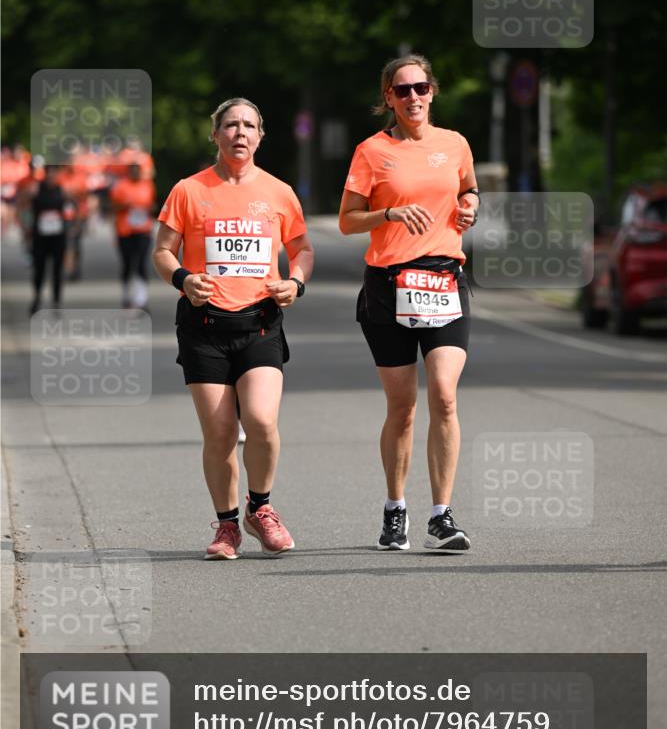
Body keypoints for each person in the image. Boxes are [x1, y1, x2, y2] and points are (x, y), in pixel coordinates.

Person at [153, 97, 314, 560]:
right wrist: (184, 279)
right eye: (230, 125)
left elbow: (302, 250)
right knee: (221, 433)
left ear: (260, 136)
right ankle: (226, 526)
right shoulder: (189, 190)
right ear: (215, 135)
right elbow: (163, 252)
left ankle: (260, 509)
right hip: (204, 327)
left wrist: (295, 282)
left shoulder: (279, 192)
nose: (240, 133)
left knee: (262, 421)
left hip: (260, 323)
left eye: (249, 126)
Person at [339, 54, 479, 553]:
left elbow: (468, 191)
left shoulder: (455, 144)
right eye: (403, 91)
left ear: (433, 91)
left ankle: (441, 516)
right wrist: (390, 211)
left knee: (444, 395)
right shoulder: (371, 151)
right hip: (389, 285)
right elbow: (348, 220)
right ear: (388, 100)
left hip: (444, 281)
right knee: (402, 406)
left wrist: (470, 208)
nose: (413, 97)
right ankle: (395, 509)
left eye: (421, 88)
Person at [109, 161, 156, 308]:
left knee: (142, 263)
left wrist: (149, 209)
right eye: (133, 171)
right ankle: (126, 296)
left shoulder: (148, 186)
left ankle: (142, 299)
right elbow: (113, 206)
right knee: (127, 264)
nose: (136, 173)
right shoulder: (120, 186)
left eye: (138, 171)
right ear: (129, 172)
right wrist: (126, 205)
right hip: (125, 230)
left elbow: (153, 205)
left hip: (143, 230)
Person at [29, 165, 75, 315]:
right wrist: (25, 227)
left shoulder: (63, 191)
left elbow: (72, 209)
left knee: (57, 270)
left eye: (53, 174)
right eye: (48, 174)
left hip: (58, 236)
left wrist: (71, 226)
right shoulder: (35, 189)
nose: (51, 177)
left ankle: (56, 302)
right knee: (39, 269)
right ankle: (37, 298)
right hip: (40, 236)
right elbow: (23, 207)